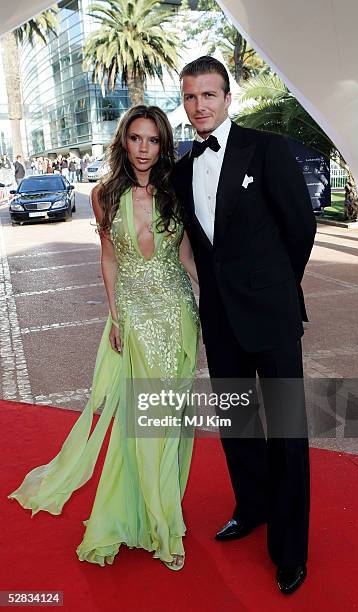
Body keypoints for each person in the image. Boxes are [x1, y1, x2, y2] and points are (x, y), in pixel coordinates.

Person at [8, 105, 200, 571]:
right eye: (136, 138)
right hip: (135, 319)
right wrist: (115, 317)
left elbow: (190, 260)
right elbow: (110, 260)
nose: (143, 149)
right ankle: (155, 520)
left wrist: (215, 303)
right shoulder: (103, 196)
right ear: (123, 141)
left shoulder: (176, 192)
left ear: (163, 146)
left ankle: (160, 505)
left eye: (153, 141)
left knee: (168, 420)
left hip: (178, 316)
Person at [173, 56, 316, 594]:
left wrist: (273, 288)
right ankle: (252, 508)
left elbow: (299, 228)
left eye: (209, 95)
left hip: (272, 316)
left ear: (228, 99)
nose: (200, 105)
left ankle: (291, 548)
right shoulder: (183, 170)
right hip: (221, 320)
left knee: (286, 431)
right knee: (237, 427)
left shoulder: (266, 148)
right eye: (190, 97)